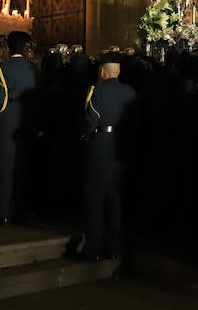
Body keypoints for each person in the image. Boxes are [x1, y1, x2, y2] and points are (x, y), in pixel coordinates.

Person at [79, 51, 137, 261]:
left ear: (103, 71)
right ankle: (113, 247)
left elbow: (90, 121)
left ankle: (93, 248)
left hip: (101, 144)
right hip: (121, 145)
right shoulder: (130, 92)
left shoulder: (97, 90)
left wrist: (83, 135)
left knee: (95, 197)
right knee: (114, 198)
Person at [0, 31, 37, 224]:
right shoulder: (33, 69)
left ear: (8, 47)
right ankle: (22, 212)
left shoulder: (1, 68)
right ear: (25, 47)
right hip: (27, 122)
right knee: (24, 169)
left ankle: (3, 213)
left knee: (5, 169)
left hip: (8, 122)